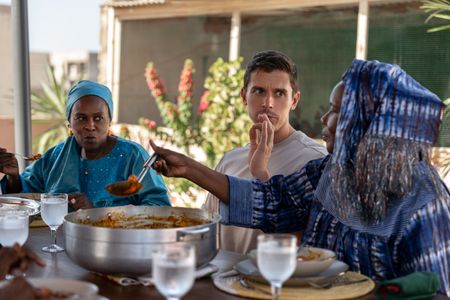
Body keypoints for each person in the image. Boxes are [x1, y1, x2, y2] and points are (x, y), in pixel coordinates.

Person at [150, 60, 450, 295]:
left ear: (365, 121)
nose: (323, 120)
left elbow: (431, 291)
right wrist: (188, 168)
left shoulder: (424, 204)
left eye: (334, 111)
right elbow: (272, 200)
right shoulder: (335, 170)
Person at [203, 50, 326, 254]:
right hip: (224, 282)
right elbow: (207, 228)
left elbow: (313, 248)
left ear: (294, 100)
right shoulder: (230, 160)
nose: (268, 103)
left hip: (280, 282)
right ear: (244, 96)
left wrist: (261, 175)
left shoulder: (314, 161)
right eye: (259, 91)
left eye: (279, 93)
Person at [0, 80, 170, 209]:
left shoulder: (133, 156)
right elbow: (26, 202)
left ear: (109, 121)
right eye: (81, 118)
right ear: (70, 124)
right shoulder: (55, 157)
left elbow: (158, 207)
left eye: (98, 118)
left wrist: (94, 213)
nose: (90, 126)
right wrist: (13, 177)